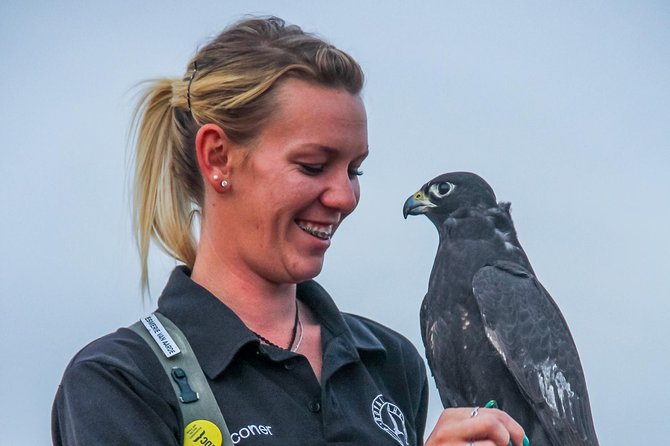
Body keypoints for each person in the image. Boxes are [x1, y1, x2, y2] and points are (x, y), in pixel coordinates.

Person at [52, 16, 527, 446]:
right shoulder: (120, 382)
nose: (344, 197)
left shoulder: (389, 363)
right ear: (218, 157)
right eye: (313, 165)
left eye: (354, 171)